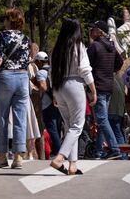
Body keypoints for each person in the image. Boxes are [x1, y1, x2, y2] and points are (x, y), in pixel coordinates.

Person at [50, 18, 97, 175]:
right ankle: (60, 158)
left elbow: (52, 72)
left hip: (59, 86)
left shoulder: (57, 49)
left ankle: (73, 164)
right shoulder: (78, 47)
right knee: (77, 126)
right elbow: (85, 70)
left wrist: (54, 93)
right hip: (74, 85)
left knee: (70, 126)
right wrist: (93, 90)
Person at [0, 8, 31, 169]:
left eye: (5, 18)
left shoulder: (3, 36)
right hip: (22, 77)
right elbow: (27, 60)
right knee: (20, 118)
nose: (3, 21)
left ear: (9, 20)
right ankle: (19, 157)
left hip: (6, 77)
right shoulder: (26, 39)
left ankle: (2, 156)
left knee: (3, 117)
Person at [88, 20, 123, 160]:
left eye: (93, 28)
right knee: (104, 119)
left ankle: (114, 148)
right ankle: (99, 150)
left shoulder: (94, 46)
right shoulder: (112, 46)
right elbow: (119, 62)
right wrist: (110, 71)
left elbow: (86, 66)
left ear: (99, 31)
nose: (90, 31)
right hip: (109, 85)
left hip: (98, 86)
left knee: (102, 119)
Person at [34, 51, 62, 158]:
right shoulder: (53, 70)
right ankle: (57, 151)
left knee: (51, 128)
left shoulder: (41, 72)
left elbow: (43, 86)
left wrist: (38, 90)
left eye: (37, 61)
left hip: (47, 103)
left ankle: (58, 151)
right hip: (59, 102)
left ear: (40, 62)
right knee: (58, 128)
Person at [108, 60, 128, 160]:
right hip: (119, 110)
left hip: (112, 109)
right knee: (119, 131)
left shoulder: (110, 79)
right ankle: (123, 154)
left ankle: (122, 155)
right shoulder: (120, 79)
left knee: (116, 132)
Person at [26, 43, 41, 160]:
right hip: (29, 97)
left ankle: (30, 152)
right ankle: (29, 152)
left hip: (33, 98)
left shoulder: (34, 65)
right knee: (30, 126)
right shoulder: (30, 65)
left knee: (31, 126)